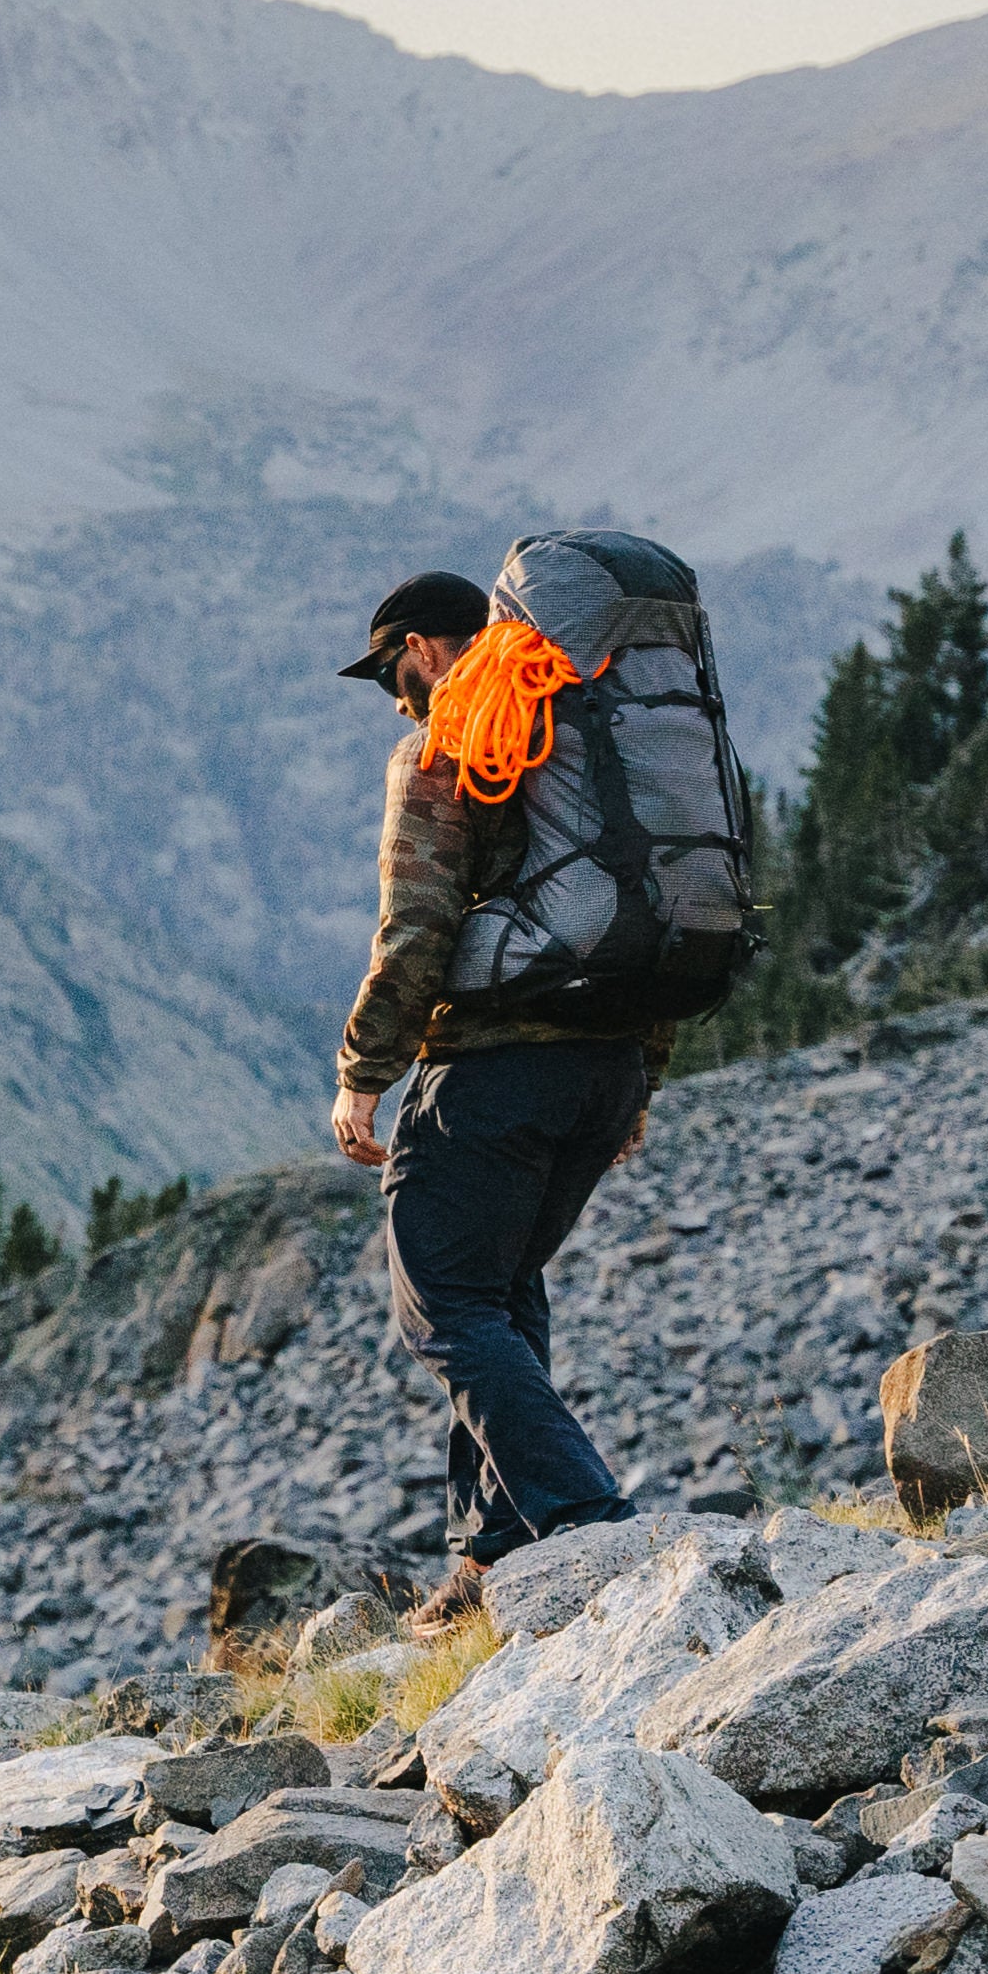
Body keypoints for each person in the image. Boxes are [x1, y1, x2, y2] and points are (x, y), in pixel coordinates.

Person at [331, 570, 650, 1592]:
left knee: (444, 1301)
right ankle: (490, 1550)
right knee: (503, 1289)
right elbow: (652, 909)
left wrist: (361, 1073)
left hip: (495, 1067)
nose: (391, 692)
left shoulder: (449, 737)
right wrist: (639, 1076)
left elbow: (414, 927)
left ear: (426, 646)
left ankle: (588, 1521)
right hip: (604, 1066)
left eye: (390, 666)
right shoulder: (588, 725)